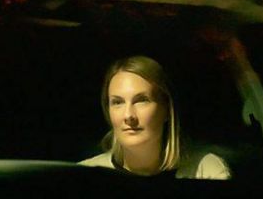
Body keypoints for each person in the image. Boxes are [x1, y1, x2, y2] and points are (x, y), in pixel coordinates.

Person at [80, 55, 230, 179]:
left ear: (166, 109)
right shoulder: (84, 175)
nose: (128, 115)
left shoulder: (206, 171)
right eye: (117, 102)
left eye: (141, 100)